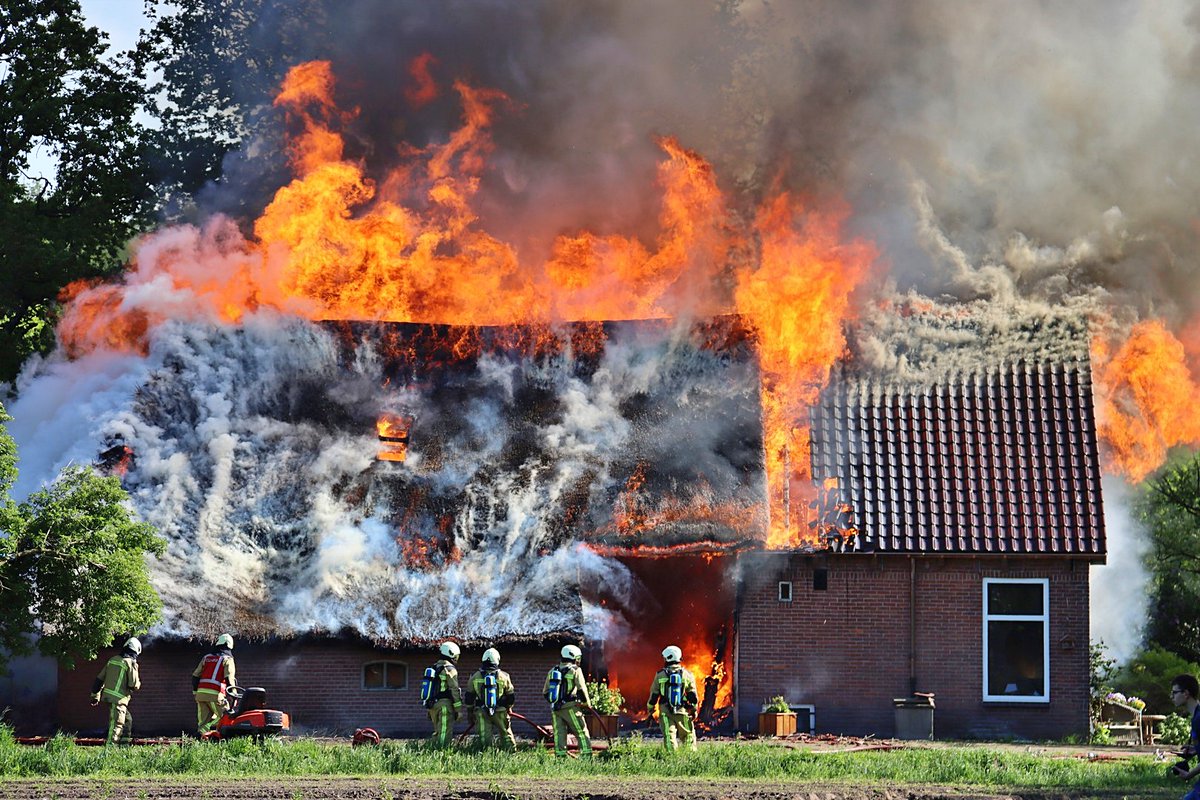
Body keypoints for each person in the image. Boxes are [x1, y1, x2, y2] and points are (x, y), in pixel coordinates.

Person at [646, 644, 699, 752]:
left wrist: (650, 710)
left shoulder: (660, 675)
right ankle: (691, 758)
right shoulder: (687, 675)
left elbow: (653, 696)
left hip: (665, 712)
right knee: (688, 734)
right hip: (682, 711)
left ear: (667, 658)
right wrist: (694, 710)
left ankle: (672, 758)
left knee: (669, 736)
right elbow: (693, 697)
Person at [90, 637, 142, 745]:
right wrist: (137, 675)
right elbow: (133, 685)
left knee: (128, 720)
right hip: (118, 700)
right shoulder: (130, 663)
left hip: (109, 697)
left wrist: (95, 696)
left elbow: (99, 679)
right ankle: (110, 750)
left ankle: (124, 746)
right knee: (117, 724)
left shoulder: (113, 659)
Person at [543, 643, 591, 758]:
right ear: (573, 656)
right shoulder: (575, 670)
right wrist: (587, 704)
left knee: (559, 734)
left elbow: (545, 692)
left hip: (556, 709)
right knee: (581, 731)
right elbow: (581, 689)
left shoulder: (552, 671)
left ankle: (560, 758)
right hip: (570, 708)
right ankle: (586, 756)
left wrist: (556, 703)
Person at [464, 647, 517, 750]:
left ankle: (486, 754)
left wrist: (470, 711)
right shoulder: (504, 676)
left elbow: (469, 697)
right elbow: (511, 696)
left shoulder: (475, 677)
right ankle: (511, 752)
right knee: (505, 733)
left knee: (484, 735)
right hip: (500, 711)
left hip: (481, 712)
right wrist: (509, 707)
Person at [192, 633, 238, 735]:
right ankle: (221, 738)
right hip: (216, 695)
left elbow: (195, 676)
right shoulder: (227, 660)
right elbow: (229, 679)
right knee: (226, 718)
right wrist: (234, 696)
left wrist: (195, 692)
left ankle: (202, 740)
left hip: (200, 695)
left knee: (203, 722)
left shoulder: (206, 658)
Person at [421, 641, 463, 748]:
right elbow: (454, 690)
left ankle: (431, 753)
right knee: (444, 734)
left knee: (438, 732)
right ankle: (442, 755)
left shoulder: (434, 667)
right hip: (444, 706)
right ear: (451, 653)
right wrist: (458, 710)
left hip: (432, 705)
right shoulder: (449, 669)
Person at [1171, 674, 1200, 800]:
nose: (1171, 696)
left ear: (1186, 693)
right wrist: (1195, 749)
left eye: (1174, 692)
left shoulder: (1199, 719)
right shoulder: (1196, 715)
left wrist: (1189, 775)